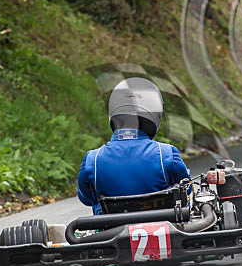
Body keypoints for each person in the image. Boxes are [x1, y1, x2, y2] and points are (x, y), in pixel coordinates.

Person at [78, 77, 190, 215]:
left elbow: (86, 198)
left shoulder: (92, 160)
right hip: (165, 228)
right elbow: (187, 189)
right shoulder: (166, 154)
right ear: (155, 113)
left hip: (111, 231)